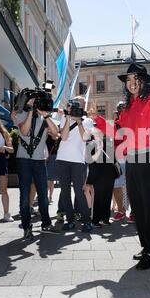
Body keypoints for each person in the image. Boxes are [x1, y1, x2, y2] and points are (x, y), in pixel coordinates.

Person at [90, 63, 150, 270]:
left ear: (143, 81)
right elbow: (116, 131)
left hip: (148, 157)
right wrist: (97, 120)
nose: (131, 83)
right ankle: (145, 246)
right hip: (131, 159)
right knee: (137, 206)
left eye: (135, 79)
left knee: (149, 206)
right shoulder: (127, 108)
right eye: (128, 80)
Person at [16, 98, 60, 240]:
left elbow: (56, 133)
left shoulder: (44, 118)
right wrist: (29, 111)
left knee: (43, 194)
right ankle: (27, 226)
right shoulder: (22, 114)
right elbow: (24, 131)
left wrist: (46, 115)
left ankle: (46, 224)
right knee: (24, 194)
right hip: (24, 160)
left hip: (40, 161)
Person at [57, 97, 95, 233]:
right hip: (62, 159)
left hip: (78, 161)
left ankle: (86, 221)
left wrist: (79, 122)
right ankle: (70, 221)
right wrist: (68, 117)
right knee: (65, 192)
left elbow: (85, 138)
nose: (76, 106)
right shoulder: (65, 118)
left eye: (79, 104)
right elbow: (64, 137)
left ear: (83, 106)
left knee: (79, 191)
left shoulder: (88, 121)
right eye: (74, 104)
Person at [86, 126, 119, 228]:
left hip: (109, 174)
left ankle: (105, 218)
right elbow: (90, 160)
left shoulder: (108, 142)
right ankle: (95, 220)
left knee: (107, 196)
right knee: (99, 198)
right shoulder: (91, 144)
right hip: (98, 175)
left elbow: (113, 159)